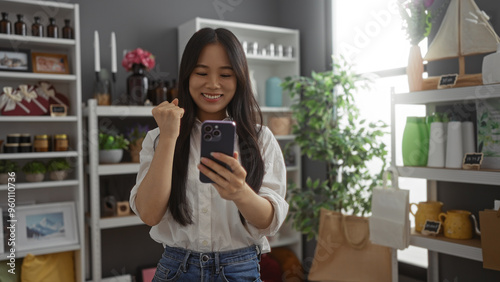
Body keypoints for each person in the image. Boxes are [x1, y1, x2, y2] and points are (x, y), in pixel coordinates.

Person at [129, 27, 288, 282]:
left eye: (225, 74)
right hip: (176, 270)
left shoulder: (261, 139)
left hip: (240, 270)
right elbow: (149, 214)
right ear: (187, 76)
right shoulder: (159, 138)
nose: (213, 84)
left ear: (239, 79)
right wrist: (169, 136)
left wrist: (240, 193)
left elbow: (270, 222)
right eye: (201, 72)